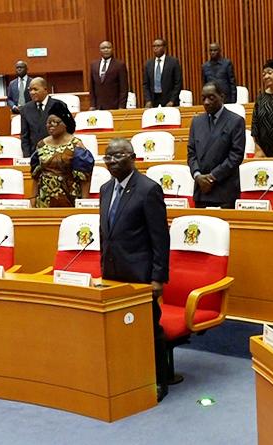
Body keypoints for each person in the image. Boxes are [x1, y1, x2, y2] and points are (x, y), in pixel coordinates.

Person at [99, 138, 171, 402]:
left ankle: (159, 381)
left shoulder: (148, 189)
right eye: (108, 157)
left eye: (118, 156)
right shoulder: (106, 189)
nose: (112, 161)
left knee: (149, 330)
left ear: (133, 157)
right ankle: (129, 376)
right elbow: (106, 233)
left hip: (140, 274)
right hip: (112, 273)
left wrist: (157, 277)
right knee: (118, 329)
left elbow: (160, 238)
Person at [187, 82, 245, 208]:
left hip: (224, 191)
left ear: (222, 97)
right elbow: (191, 153)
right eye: (203, 98)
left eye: (211, 98)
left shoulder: (236, 121)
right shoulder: (196, 122)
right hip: (201, 190)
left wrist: (212, 177)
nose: (206, 102)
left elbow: (236, 156)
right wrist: (197, 176)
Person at [31, 102, 94, 208]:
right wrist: (33, 200)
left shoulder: (76, 145)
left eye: (55, 122)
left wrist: (84, 202)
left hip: (70, 198)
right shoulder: (41, 144)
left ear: (65, 123)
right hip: (44, 199)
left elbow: (85, 179)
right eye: (48, 122)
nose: (50, 125)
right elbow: (36, 176)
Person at [21, 77, 71, 162]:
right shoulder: (26, 109)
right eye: (30, 90)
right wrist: (28, 157)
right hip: (36, 155)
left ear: (45, 89)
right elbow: (25, 136)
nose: (32, 92)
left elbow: (67, 131)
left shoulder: (59, 105)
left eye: (35, 89)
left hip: (57, 155)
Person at [142, 39, 183, 107]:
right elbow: (145, 84)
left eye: (158, 46)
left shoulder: (173, 62)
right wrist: (148, 100)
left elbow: (178, 83)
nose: (155, 48)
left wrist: (172, 100)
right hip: (153, 100)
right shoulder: (148, 64)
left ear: (164, 47)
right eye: (154, 46)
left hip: (169, 100)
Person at [89, 41, 129, 110]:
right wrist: (92, 105)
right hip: (98, 106)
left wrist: (122, 106)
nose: (106, 50)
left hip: (114, 106)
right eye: (103, 48)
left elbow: (124, 88)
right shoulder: (94, 65)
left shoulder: (119, 65)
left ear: (112, 49)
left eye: (108, 48)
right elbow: (92, 87)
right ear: (100, 50)